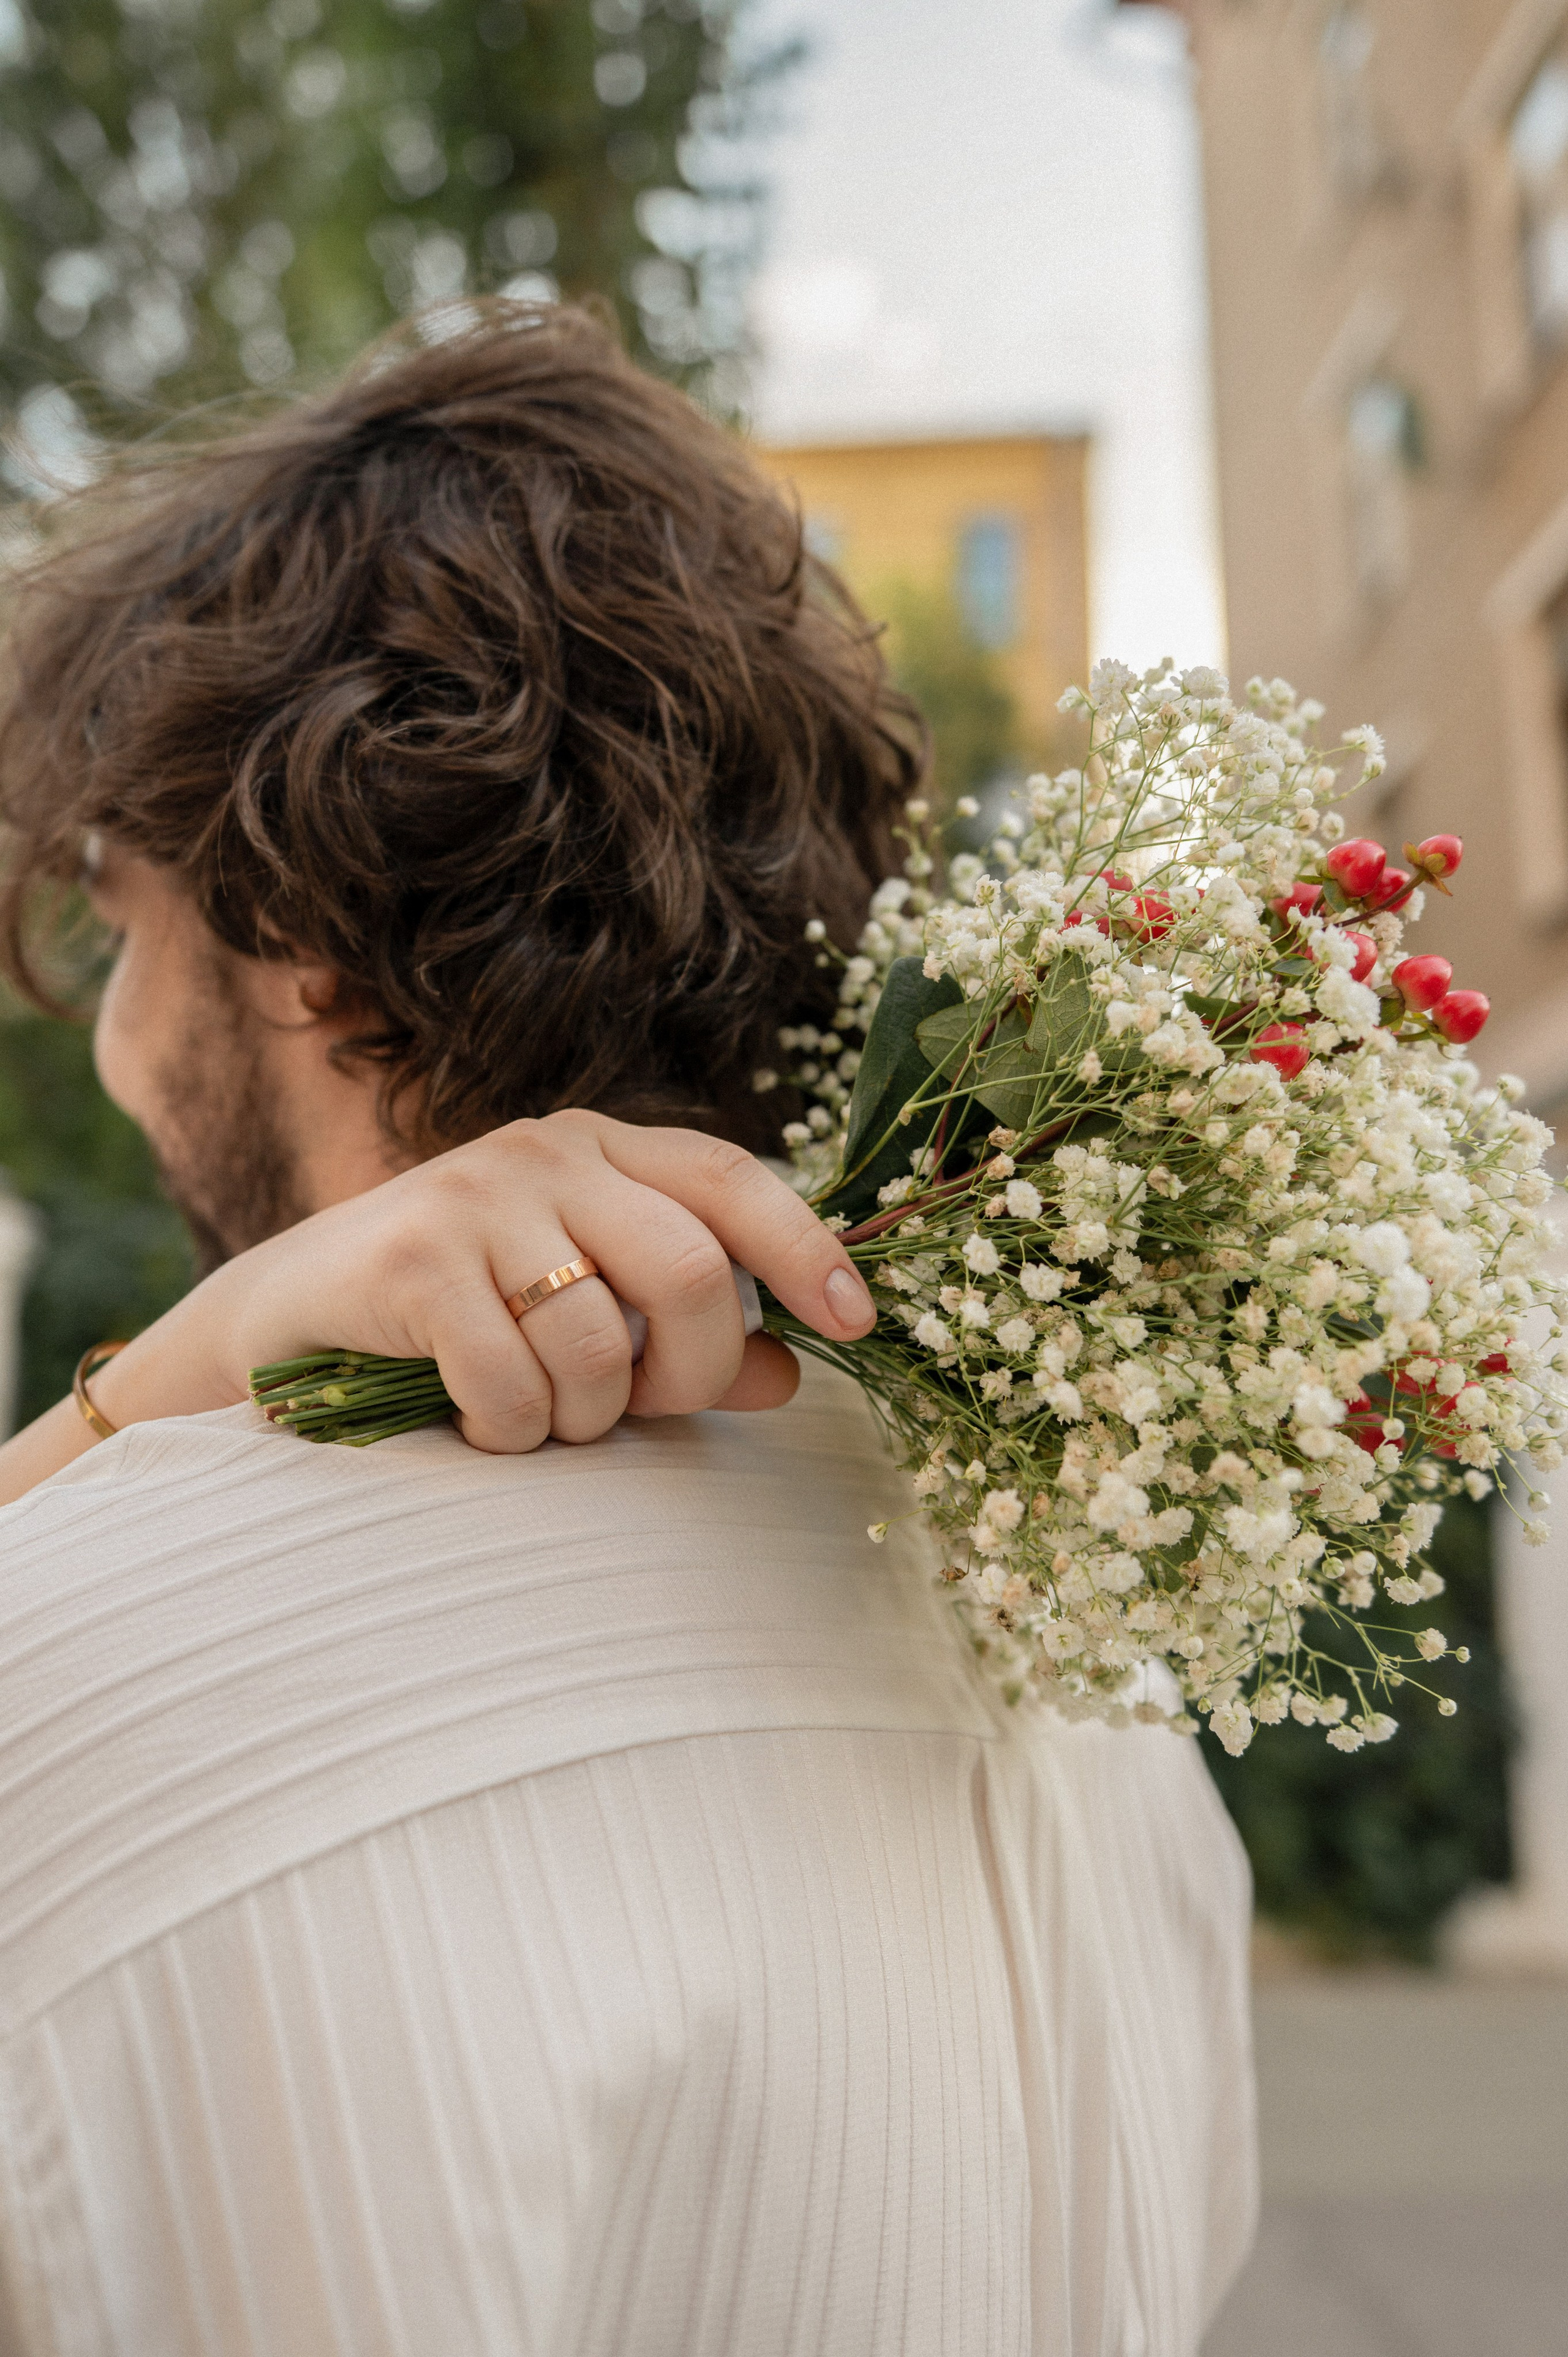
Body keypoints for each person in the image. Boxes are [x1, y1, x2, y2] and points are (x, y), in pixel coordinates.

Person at [0, 303, 1255, 2355]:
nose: (122, 1035)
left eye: (119, 924)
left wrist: (142, 1401)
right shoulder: (1088, 1667)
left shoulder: (62, 1689)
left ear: (291, 947)